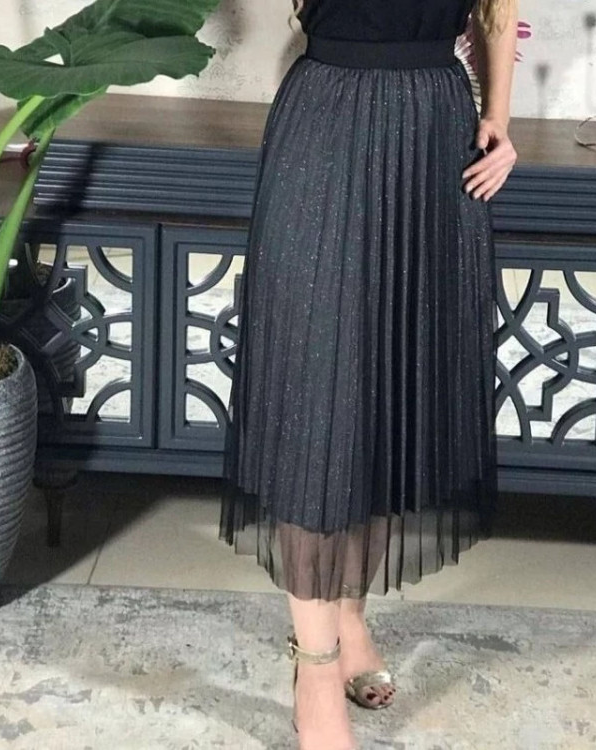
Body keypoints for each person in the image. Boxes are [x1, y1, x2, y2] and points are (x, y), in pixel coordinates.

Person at [219, 0, 519, 746]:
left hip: (434, 131)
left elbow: (498, 11)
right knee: (317, 397)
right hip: (329, 118)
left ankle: (349, 616)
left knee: (394, 389)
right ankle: (315, 669)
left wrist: (499, 121)